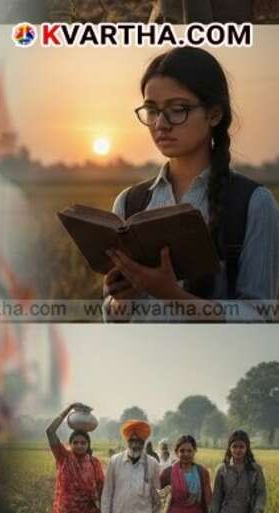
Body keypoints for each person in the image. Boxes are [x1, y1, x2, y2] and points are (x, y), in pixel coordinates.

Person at [103, 46, 279, 323]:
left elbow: (260, 316)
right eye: (152, 111)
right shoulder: (129, 201)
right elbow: (113, 316)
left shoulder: (253, 203)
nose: (161, 124)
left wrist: (171, 295)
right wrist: (121, 300)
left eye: (177, 110)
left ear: (214, 115)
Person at [45, 402, 105, 513]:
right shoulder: (63, 457)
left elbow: (102, 490)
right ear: (70, 444)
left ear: (88, 444)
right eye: (75, 443)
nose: (79, 446)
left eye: (83, 443)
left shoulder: (94, 463)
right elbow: (50, 431)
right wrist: (70, 407)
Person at [101, 419, 162, 513]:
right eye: (132, 440)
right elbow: (107, 493)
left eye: (139, 441)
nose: (135, 445)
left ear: (144, 442)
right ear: (127, 441)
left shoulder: (152, 464)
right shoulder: (115, 461)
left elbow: (157, 497)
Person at [209, 430, 267, 513]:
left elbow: (261, 494)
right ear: (229, 448)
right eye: (234, 446)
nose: (238, 450)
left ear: (247, 448)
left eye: (241, 447)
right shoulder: (222, 470)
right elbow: (216, 498)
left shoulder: (255, 470)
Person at [159, 435, 212, 513]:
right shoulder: (168, 472)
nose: (186, 454)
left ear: (194, 451)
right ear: (176, 452)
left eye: (189, 451)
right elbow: (155, 493)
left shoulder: (202, 472)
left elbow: (208, 500)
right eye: (182, 451)